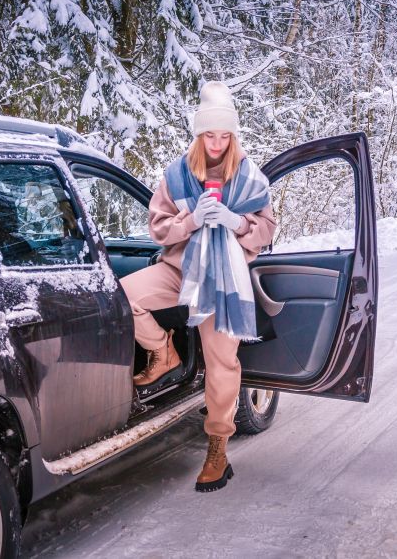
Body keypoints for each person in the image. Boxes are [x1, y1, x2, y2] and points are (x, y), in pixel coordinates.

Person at [120, 80, 276, 492]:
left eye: (226, 135)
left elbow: (267, 229)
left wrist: (237, 222)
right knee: (122, 297)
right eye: (211, 134)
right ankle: (163, 352)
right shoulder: (176, 175)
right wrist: (191, 221)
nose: (218, 143)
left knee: (222, 362)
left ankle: (217, 447)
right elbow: (157, 228)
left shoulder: (248, 177)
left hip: (225, 279)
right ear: (198, 133)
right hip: (181, 269)